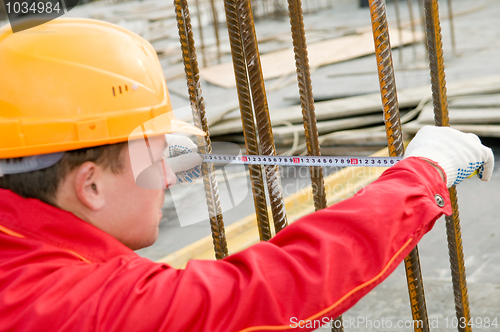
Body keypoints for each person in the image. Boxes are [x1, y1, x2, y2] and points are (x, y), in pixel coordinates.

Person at [0, 18, 494, 332]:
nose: (170, 180)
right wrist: (423, 174)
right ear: (89, 184)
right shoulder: (79, 306)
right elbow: (276, 290)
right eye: (156, 159)